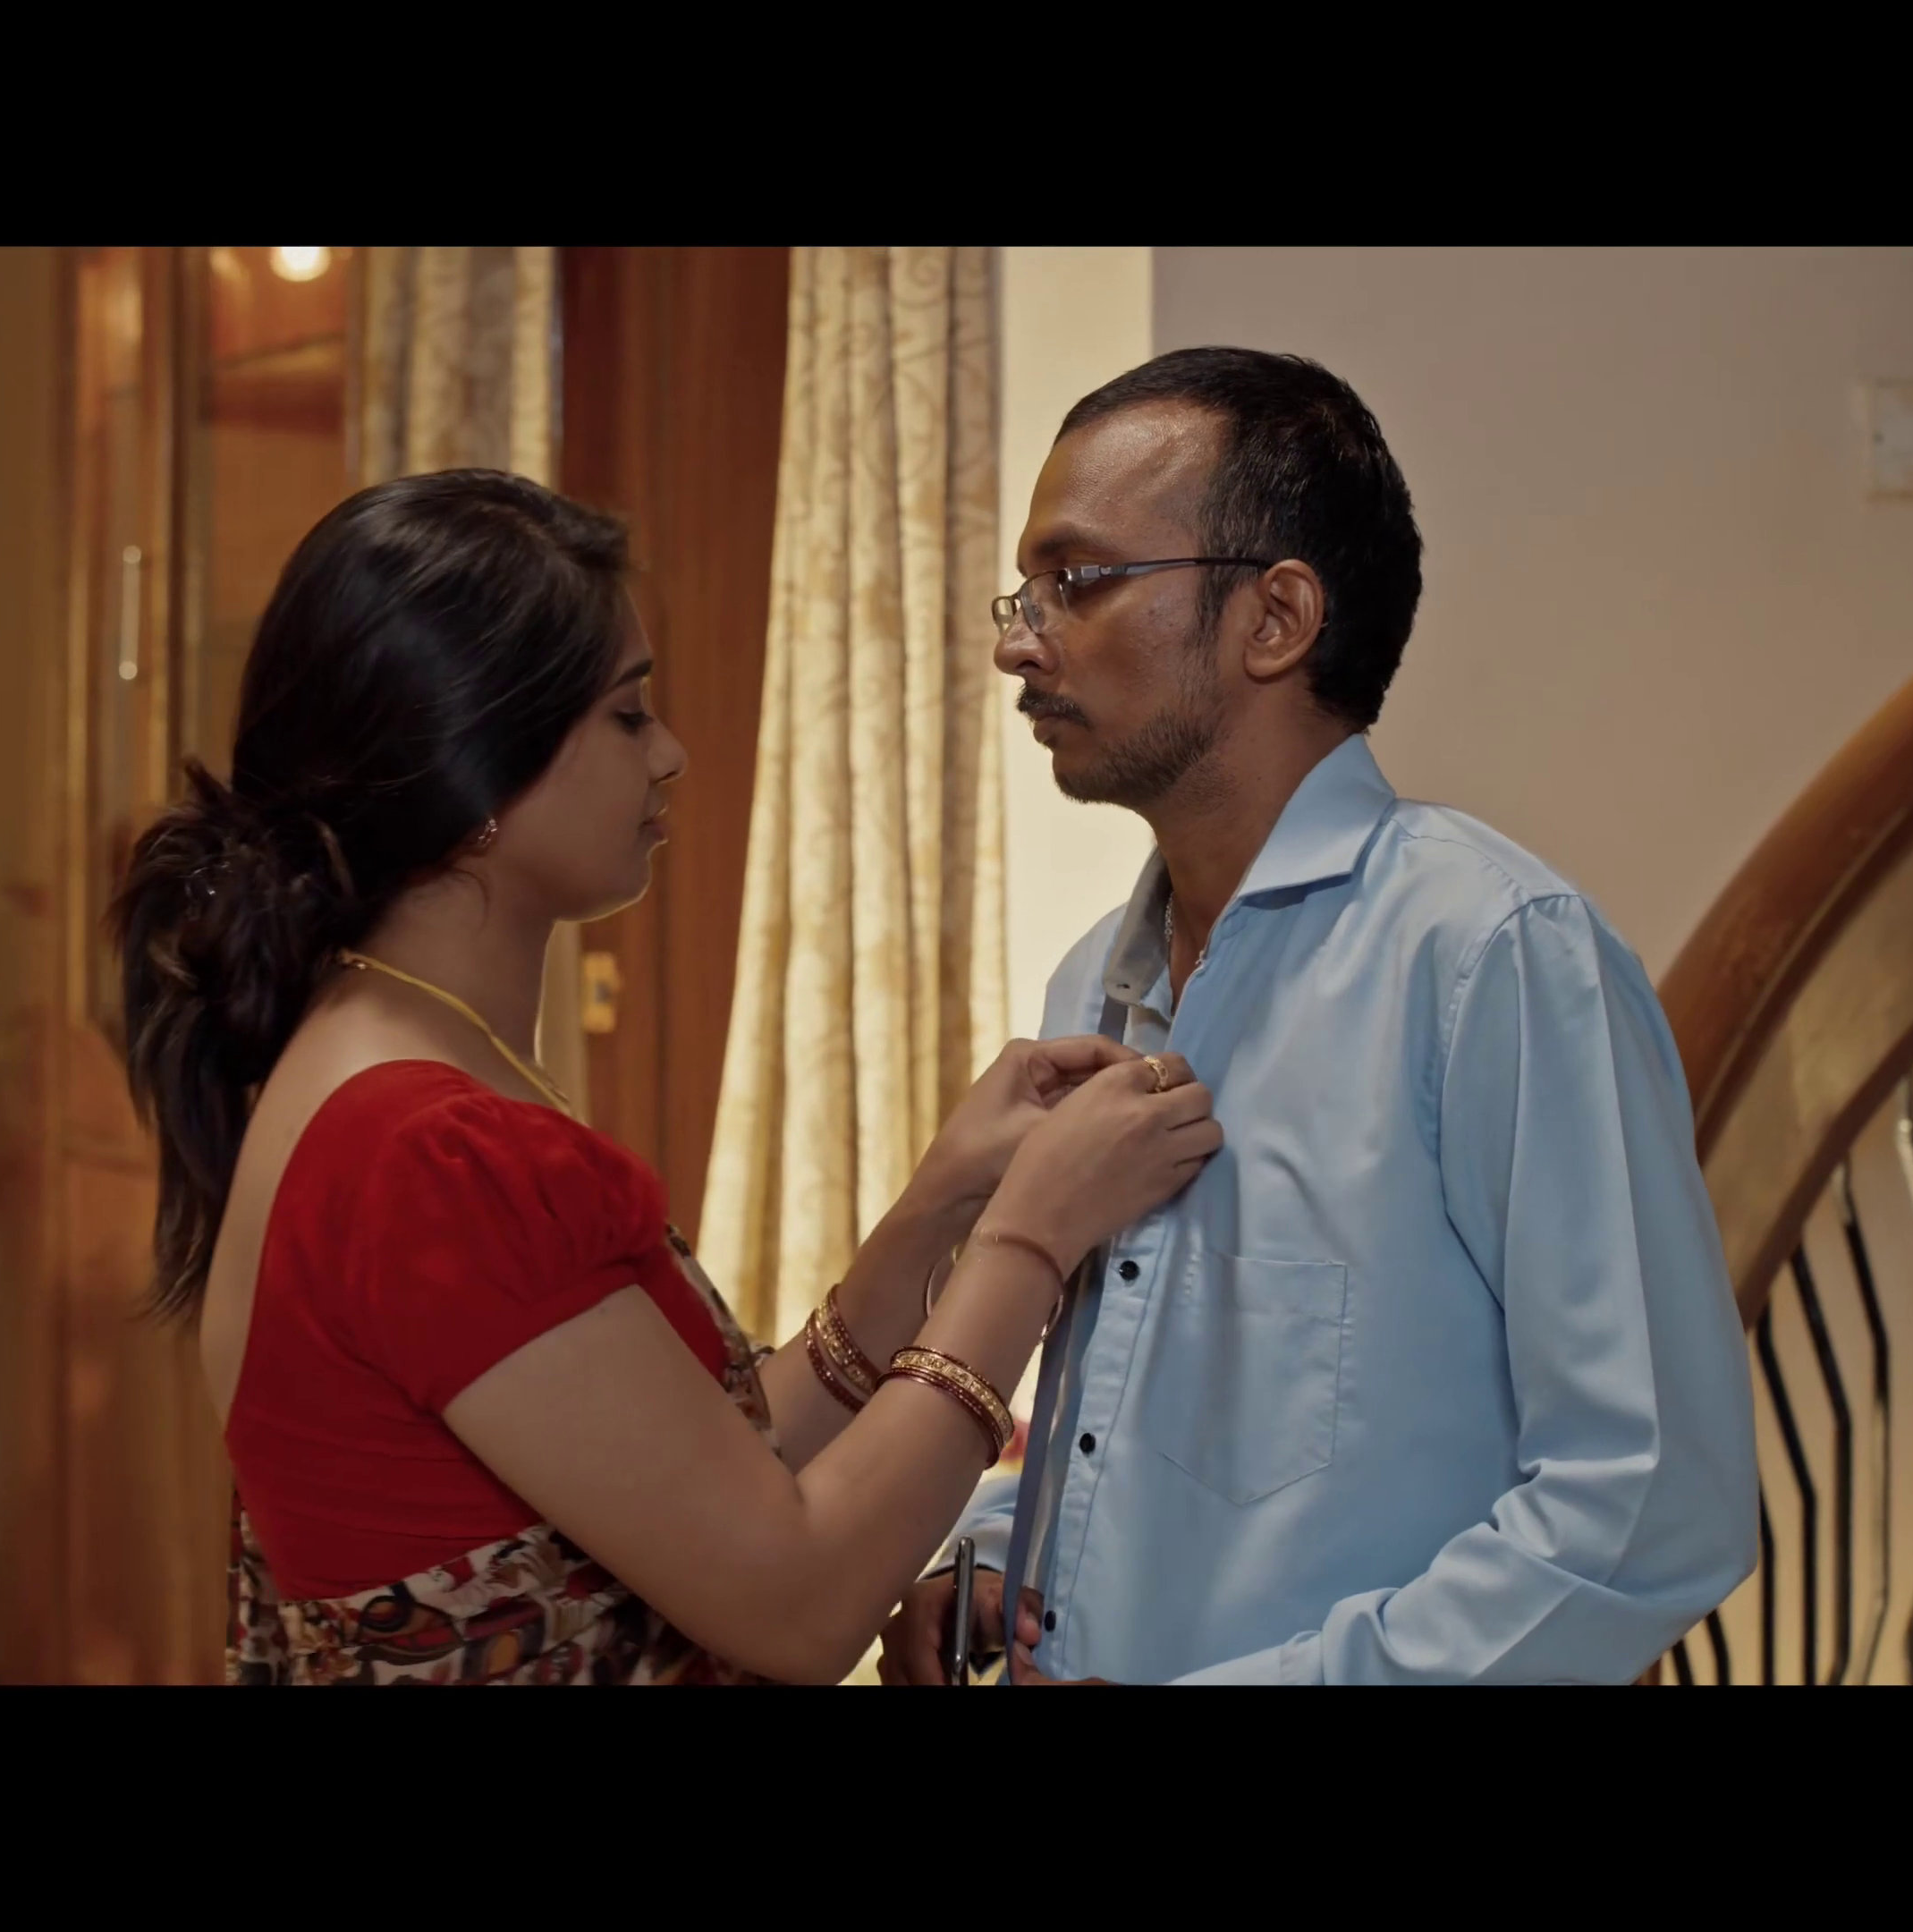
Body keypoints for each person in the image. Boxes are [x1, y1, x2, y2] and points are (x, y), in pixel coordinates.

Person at [114, 469, 1218, 1684]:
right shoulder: (428, 1150)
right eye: (629, 716)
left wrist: (936, 1209)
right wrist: (1029, 1242)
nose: (672, 754)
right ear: (475, 767)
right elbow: (800, 1605)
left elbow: (704, 1480)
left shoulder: (371, 1056)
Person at [882, 349, 1759, 1685]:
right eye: (1027, 590)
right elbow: (1142, 1424)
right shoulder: (1094, 981)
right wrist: (1003, 1550)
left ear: (1276, 619)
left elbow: (1645, 1505)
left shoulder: (1495, 959)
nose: (1019, 640)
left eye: (1080, 579)